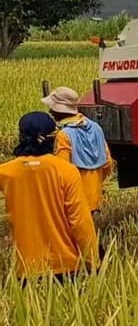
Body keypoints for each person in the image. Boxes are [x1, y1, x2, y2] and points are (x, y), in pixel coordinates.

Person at [0, 113, 98, 282]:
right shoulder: (66, 170)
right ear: (52, 138)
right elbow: (80, 222)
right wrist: (93, 262)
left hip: (26, 271)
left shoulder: (6, 172)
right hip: (67, 268)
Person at [42, 86, 114, 256]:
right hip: (94, 194)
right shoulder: (96, 127)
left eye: (52, 108)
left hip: (74, 196)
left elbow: (62, 170)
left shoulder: (64, 135)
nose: (51, 112)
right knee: (88, 231)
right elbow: (108, 163)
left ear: (59, 110)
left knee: (74, 238)